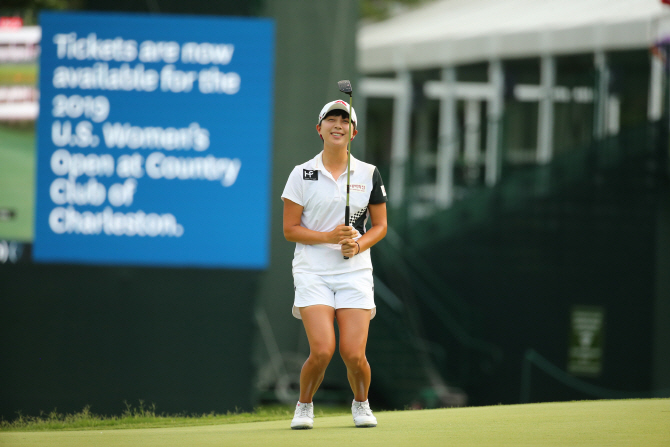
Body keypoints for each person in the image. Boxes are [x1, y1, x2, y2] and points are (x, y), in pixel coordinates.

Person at [281, 100, 388, 429]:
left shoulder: (369, 173)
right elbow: (290, 230)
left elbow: (380, 226)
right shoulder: (302, 173)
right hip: (312, 271)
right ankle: (304, 405)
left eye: (345, 120)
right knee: (324, 350)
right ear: (320, 129)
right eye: (331, 119)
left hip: (354, 272)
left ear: (353, 132)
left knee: (353, 354)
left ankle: (361, 403)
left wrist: (356, 245)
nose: (338, 124)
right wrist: (330, 237)